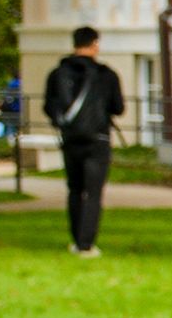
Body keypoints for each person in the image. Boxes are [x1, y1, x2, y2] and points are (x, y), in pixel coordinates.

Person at [43, 26, 123, 257]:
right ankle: (86, 244)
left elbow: (50, 106)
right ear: (95, 44)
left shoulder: (58, 74)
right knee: (94, 192)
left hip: (71, 139)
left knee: (75, 189)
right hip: (98, 139)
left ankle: (77, 239)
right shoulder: (106, 75)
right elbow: (118, 106)